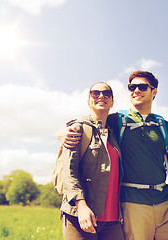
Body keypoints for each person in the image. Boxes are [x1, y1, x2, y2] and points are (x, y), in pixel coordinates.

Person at [59, 71, 168, 240]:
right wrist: (63, 132)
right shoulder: (118, 121)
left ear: (154, 92)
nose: (136, 90)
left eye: (142, 87)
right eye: (132, 87)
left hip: (165, 203)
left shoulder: (165, 127)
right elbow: (92, 120)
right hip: (133, 203)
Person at [60, 82, 124, 240]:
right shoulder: (77, 129)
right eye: (95, 93)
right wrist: (81, 206)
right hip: (80, 215)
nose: (101, 96)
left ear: (112, 102)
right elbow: (68, 172)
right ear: (89, 101)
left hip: (113, 220)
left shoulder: (115, 133)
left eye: (106, 93)